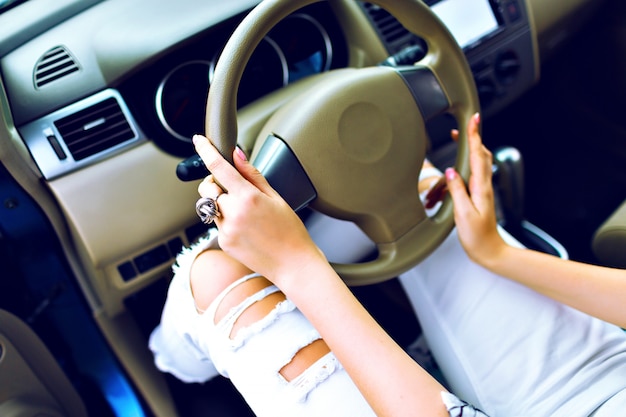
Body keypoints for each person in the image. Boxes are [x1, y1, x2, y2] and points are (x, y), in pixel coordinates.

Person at [150, 113, 626, 417]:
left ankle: (170, 362)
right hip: (609, 378)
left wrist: (296, 265)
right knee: (413, 192)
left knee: (216, 278)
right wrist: (495, 254)